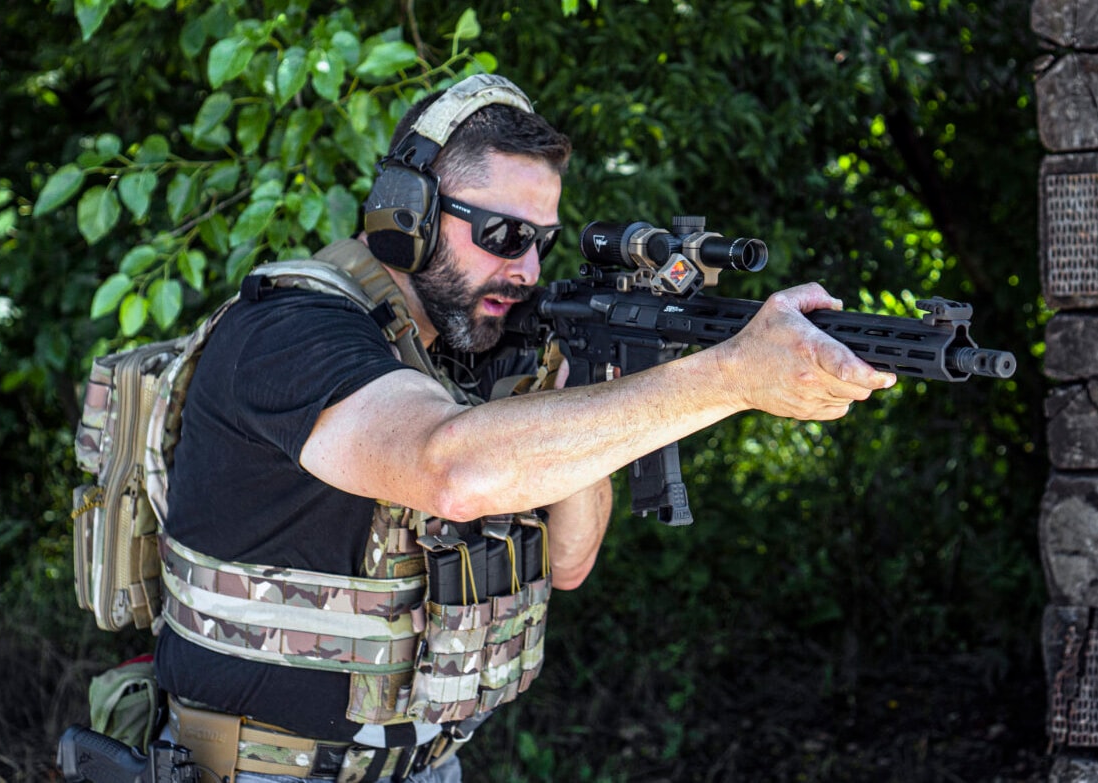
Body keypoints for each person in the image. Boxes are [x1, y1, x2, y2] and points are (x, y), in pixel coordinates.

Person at [152, 74, 894, 783]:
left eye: (543, 239)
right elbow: (451, 469)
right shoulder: (289, 331)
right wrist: (731, 375)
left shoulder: (473, 356)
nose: (529, 269)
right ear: (405, 216)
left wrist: (586, 385)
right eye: (505, 234)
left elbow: (569, 561)